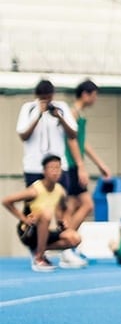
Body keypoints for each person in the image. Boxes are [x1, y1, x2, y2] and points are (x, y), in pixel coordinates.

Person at [4, 155, 86, 272]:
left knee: (74, 238)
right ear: (44, 171)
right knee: (45, 213)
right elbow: (6, 201)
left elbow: (64, 210)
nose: (55, 172)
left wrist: (63, 221)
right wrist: (24, 219)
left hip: (45, 232)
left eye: (58, 168)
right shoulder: (34, 190)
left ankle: (38, 250)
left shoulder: (60, 190)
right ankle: (39, 258)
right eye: (51, 168)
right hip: (28, 231)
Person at [62, 80, 111, 231]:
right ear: (85, 94)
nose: (95, 99)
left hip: (73, 164)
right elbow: (72, 141)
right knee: (85, 204)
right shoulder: (73, 113)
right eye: (94, 95)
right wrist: (80, 167)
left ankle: (67, 240)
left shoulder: (79, 114)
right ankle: (66, 238)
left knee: (73, 204)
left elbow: (82, 143)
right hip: (70, 165)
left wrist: (100, 164)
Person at [16, 79, 79, 187]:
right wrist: (38, 116)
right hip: (34, 167)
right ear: (36, 95)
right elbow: (23, 136)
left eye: (48, 98)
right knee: (34, 201)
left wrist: (59, 117)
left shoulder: (61, 107)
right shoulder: (28, 108)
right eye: (42, 98)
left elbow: (73, 134)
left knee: (60, 201)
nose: (46, 101)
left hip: (58, 168)